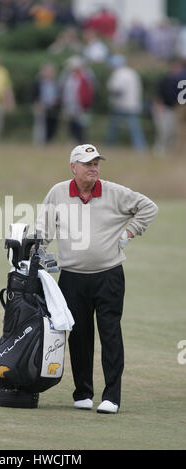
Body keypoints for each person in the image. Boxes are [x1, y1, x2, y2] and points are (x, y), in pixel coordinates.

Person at [36, 143, 158, 413]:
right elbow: (43, 231)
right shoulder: (58, 193)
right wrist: (35, 253)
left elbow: (148, 207)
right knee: (78, 335)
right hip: (72, 277)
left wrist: (128, 233)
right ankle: (83, 393)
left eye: (96, 163)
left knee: (110, 334)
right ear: (73, 167)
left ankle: (112, 397)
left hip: (109, 275)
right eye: (87, 163)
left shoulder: (113, 192)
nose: (93, 168)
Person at [105, 54, 147, 152]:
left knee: (113, 128)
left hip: (121, 105)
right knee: (135, 129)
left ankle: (108, 146)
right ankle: (140, 148)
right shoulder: (132, 73)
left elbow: (116, 90)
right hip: (133, 105)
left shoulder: (118, 74)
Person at [59, 55, 95, 143]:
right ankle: (72, 139)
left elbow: (87, 91)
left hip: (81, 105)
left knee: (81, 125)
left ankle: (81, 140)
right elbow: (63, 88)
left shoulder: (85, 76)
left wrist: (85, 104)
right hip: (69, 105)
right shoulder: (68, 76)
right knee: (71, 124)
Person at [32, 63, 60, 145]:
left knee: (52, 126)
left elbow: (59, 95)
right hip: (41, 107)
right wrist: (37, 104)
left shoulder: (56, 82)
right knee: (40, 127)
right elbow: (33, 95)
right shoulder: (38, 82)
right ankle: (39, 143)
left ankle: (48, 142)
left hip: (53, 108)